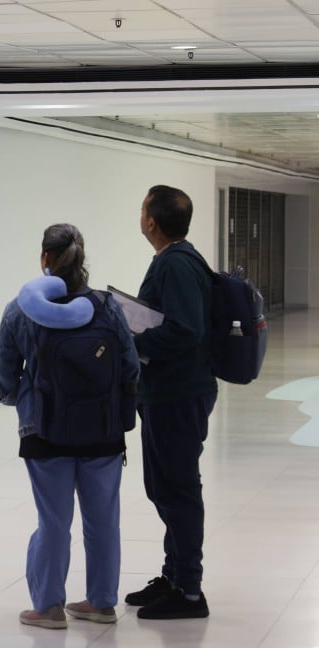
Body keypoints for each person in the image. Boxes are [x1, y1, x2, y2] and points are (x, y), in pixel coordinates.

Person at [0, 223, 139, 629]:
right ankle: (102, 602)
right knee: (103, 520)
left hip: (45, 432)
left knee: (54, 521)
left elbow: (5, 375)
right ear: (82, 259)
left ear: (44, 259)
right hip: (103, 431)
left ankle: (48, 607)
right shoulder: (108, 308)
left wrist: (21, 401)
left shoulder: (20, 309)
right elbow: (129, 366)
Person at [124, 185, 217, 620]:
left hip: (178, 394)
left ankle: (190, 592)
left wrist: (133, 337)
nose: (140, 215)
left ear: (151, 221)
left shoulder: (177, 265)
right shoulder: (176, 259)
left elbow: (185, 330)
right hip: (169, 392)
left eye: (143, 209)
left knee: (177, 489)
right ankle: (173, 574)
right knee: (164, 487)